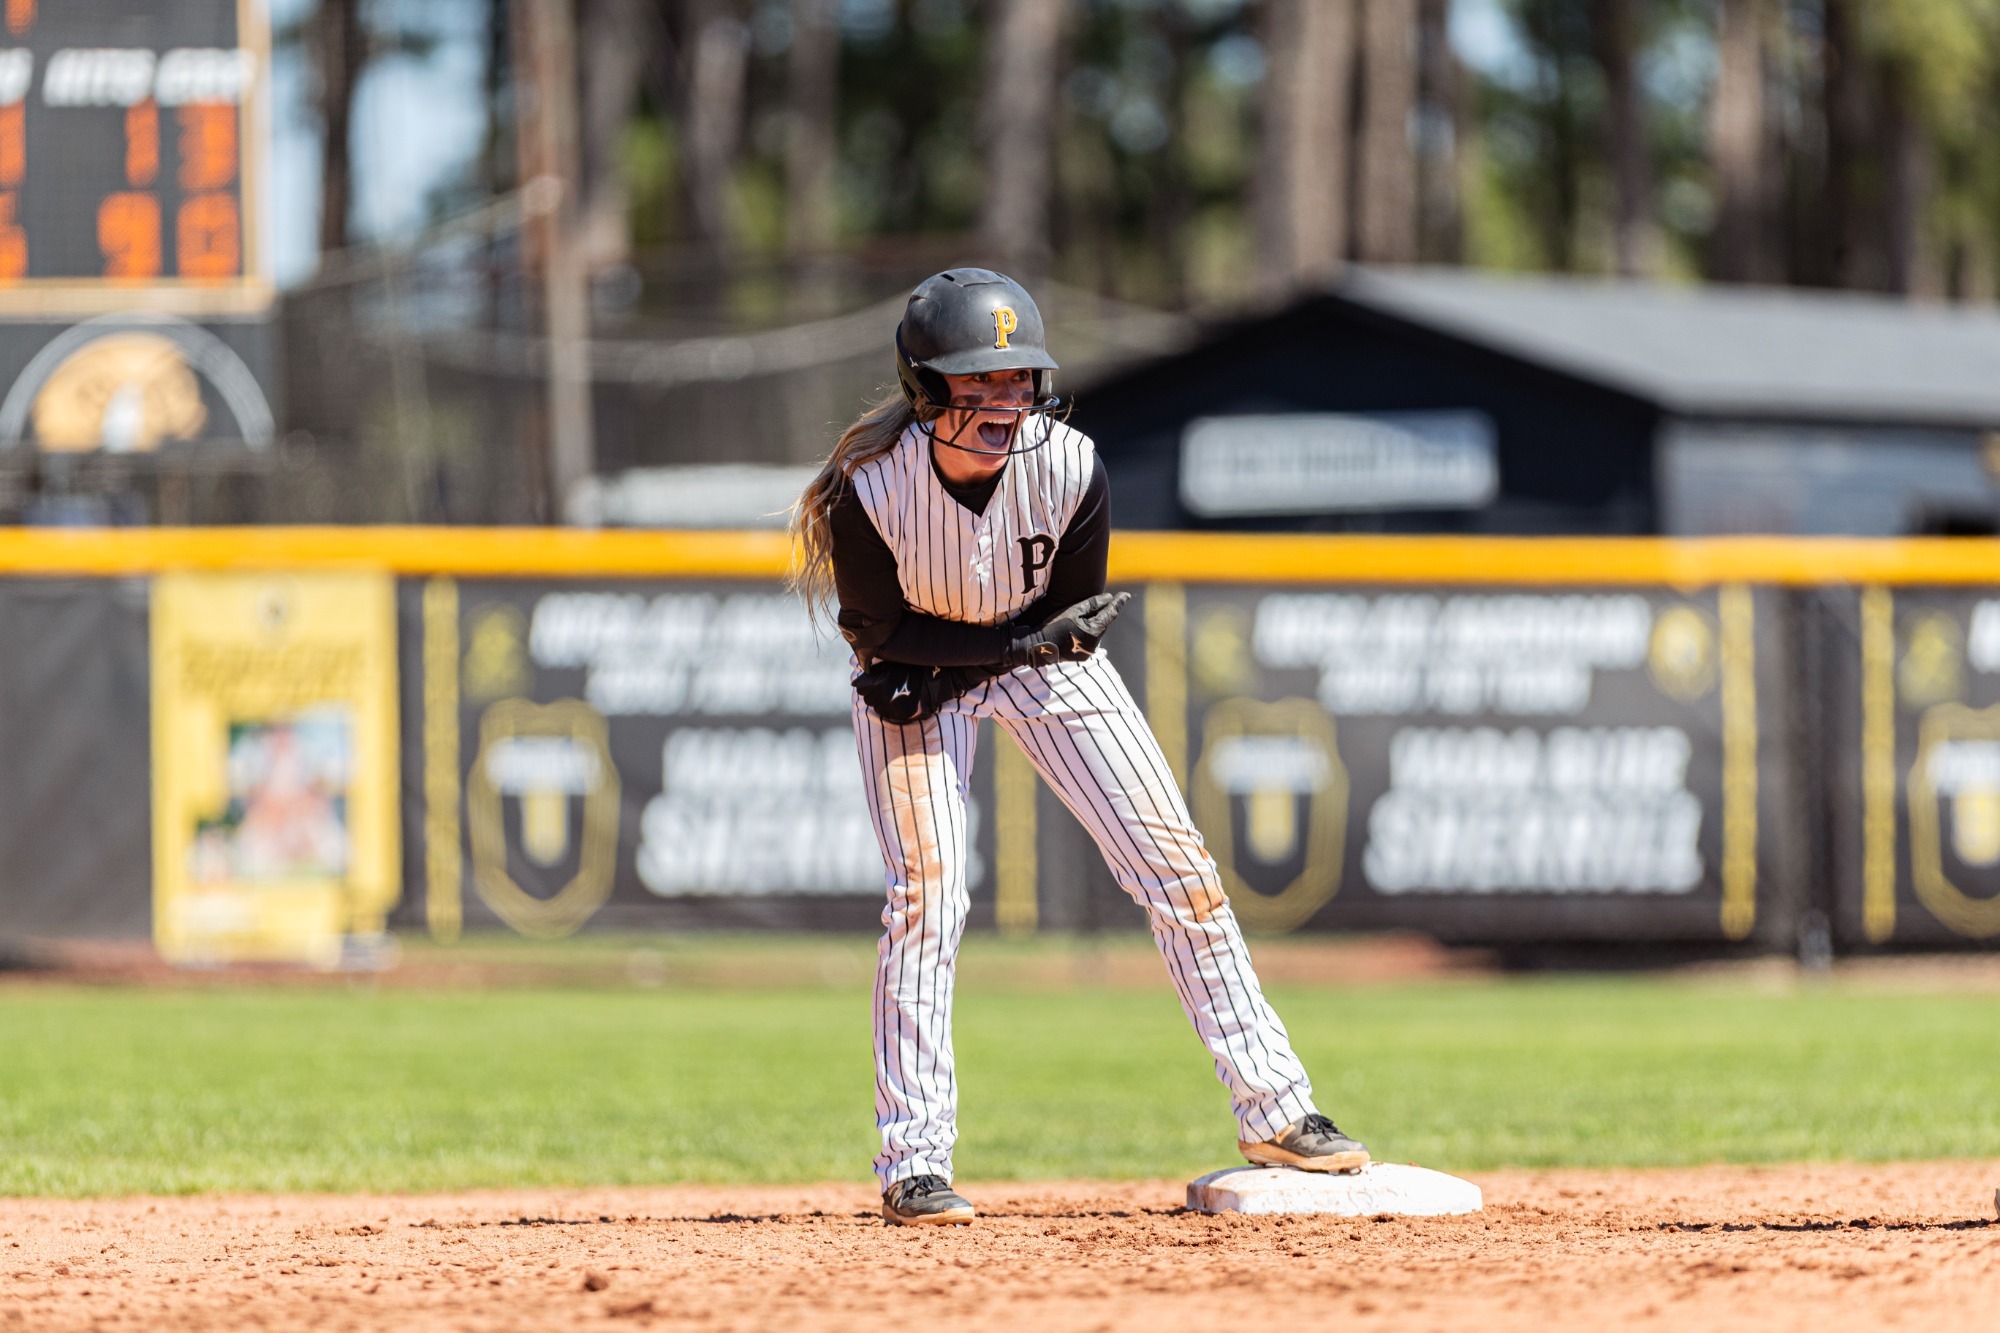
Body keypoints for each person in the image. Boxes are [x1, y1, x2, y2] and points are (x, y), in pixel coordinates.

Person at [790, 268, 1368, 1227]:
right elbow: (878, 632)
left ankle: (1277, 1108)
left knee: (1180, 871)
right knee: (927, 898)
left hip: (1036, 660)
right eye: (980, 383)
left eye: (1018, 380)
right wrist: (961, 657)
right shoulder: (870, 489)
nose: (1005, 401)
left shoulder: (1070, 464)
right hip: (919, 674)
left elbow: (1069, 621)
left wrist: (1008, 650)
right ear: (927, 391)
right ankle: (915, 1160)